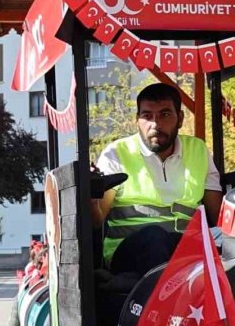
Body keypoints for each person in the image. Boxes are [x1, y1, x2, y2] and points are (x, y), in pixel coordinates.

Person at [92, 83, 223, 276]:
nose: (155, 124)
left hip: (185, 249)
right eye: (147, 116)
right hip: (128, 253)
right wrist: (91, 196)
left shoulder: (198, 150)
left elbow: (219, 215)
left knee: (229, 243)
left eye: (164, 115)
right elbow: (96, 219)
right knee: (155, 238)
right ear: (137, 120)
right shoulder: (116, 153)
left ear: (180, 119)